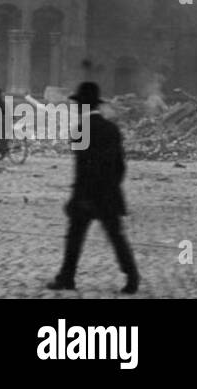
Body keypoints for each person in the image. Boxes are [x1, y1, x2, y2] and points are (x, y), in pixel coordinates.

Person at [46, 81, 139, 294]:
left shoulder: (80, 130)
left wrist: (80, 196)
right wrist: (110, 188)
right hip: (108, 195)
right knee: (116, 238)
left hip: (86, 196)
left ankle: (66, 277)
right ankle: (132, 276)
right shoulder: (112, 128)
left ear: (81, 107)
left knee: (74, 238)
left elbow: (83, 168)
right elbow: (119, 166)